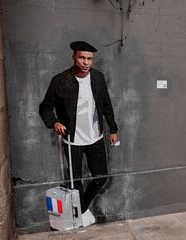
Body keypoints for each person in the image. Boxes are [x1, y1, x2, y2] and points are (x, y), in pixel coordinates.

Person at [39, 41, 118, 226]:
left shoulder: (98, 78)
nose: (86, 62)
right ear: (74, 57)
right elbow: (45, 107)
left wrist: (113, 129)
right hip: (72, 139)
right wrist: (54, 122)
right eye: (82, 58)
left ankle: (80, 209)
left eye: (89, 58)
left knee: (100, 177)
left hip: (96, 137)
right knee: (76, 182)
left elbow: (107, 105)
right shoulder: (60, 80)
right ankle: (78, 216)